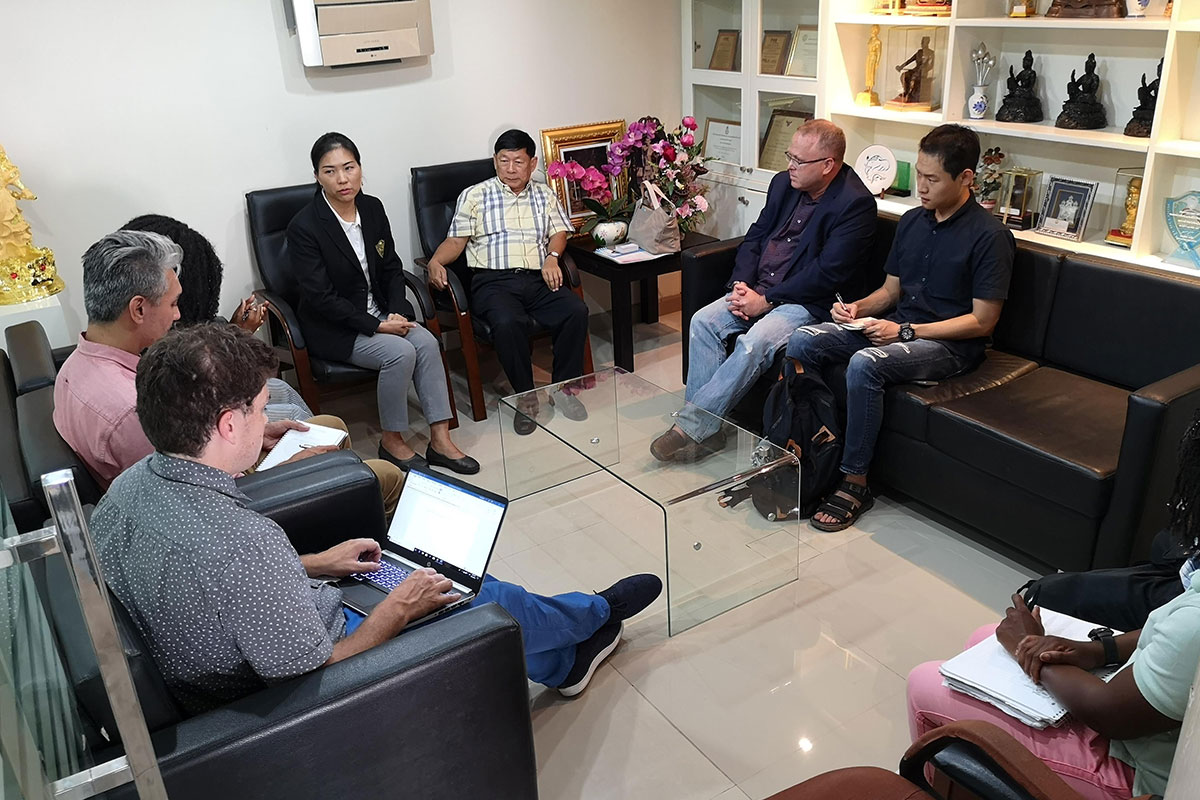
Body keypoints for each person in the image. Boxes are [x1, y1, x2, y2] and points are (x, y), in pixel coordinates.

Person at [89, 323, 662, 714]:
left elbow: (222, 592)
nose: (269, 419)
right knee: (483, 598)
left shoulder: (130, 490)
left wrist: (314, 562)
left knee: (432, 578)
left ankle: (568, 658)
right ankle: (594, 616)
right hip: (306, 693)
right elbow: (319, 673)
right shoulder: (239, 544)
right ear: (225, 425)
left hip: (263, 636)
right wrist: (398, 606)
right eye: (261, 409)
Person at [906, 417, 1200, 799]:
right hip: (1151, 725)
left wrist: (1030, 649)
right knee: (983, 639)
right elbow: (1171, 637)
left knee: (923, 682)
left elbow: (1110, 713)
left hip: (1138, 773)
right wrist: (1098, 651)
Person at [52, 229, 402, 516]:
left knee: (331, 427)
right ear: (138, 309)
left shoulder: (75, 366)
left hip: (210, 477)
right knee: (383, 476)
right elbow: (200, 507)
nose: (177, 316)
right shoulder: (130, 412)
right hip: (227, 509)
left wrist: (255, 438)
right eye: (173, 304)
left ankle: (347, 508)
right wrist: (284, 468)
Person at [787, 124, 1014, 531]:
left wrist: (906, 332)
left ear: (965, 178)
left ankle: (855, 481)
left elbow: (983, 321)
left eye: (932, 179)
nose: (921, 187)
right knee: (804, 339)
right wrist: (857, 307)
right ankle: (807, 448)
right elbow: (890, 292)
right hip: (898, 327)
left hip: (949, 346)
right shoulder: (912, 222)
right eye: (919, 174)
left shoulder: (990, 236)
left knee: (865, 364)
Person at [650, 119, 876, 463]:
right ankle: (707, 432)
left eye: (799, 160)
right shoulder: (783, 184)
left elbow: (826, 273)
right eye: (790, 155)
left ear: (828, 165)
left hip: (806, 302)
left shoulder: (854, 204)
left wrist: (766, 301)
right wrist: (742, 286)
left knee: (754, 342)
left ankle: (692, 428)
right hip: (759, 289)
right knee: (703, 322)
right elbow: (755, 236)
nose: (790, 165)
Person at [287, 132, 477, 474]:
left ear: (360, 167)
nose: (343, 179)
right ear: (317, 176)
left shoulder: (372, 208)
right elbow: (320, 297)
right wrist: (376, 325)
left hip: (380, 314)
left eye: (349, 167)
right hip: (335, 327)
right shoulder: (304, 227)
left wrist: (395, 311)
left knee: (428, 343)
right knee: (400, 352)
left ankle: (440, 439)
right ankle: (391, 440)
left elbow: (391, 267)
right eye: (330, 171)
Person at [425, 129, 590, 435]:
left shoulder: (544, 194)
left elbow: (559, 232)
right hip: (493, 281)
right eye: (504, 161)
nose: (511, 168)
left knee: (575, 311)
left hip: (538, 277)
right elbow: (456, 241)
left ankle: (563, 389)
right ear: (495, 161)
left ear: (533, 163)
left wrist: (553, 257)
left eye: (518, 161)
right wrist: (436, 261)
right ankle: (525, 397)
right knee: (506, 322)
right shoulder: (475, 195)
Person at [121, 213, 312, 422]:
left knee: (283, 391)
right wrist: (238, 335)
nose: (176, 313)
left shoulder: (140, 331)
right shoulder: (156, 358)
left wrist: (235, 330)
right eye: (173, 303)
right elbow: (206, 387)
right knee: (294, 415)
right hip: (205, 419)